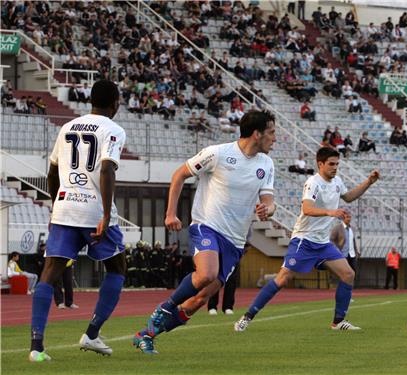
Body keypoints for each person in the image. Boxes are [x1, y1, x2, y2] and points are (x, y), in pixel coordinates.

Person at [133, 110, 277, 354]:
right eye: (272, 133)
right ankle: (165, 307)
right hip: (207, 225)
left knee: (198, 300)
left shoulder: (266, 163)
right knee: (206, 274)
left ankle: (146, 335)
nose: (275, 139)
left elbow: (269, 201)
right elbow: (180, 174)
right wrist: (170, 213)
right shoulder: (217, 153)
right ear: (257, 134)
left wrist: (268, 210)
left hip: (236, 241)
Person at [29, 80, 127, 362]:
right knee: (118, 267)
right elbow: (107, 168)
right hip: (93, 210)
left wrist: (54, 205)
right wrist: (107, 215)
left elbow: (52, 173)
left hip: (64, 209)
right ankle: (92, 333)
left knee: (50, 271)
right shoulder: (113, 129)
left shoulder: (67, 127)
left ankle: (36, 347)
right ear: (115, 103)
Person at [234, 147, 380, 332]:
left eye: (337, 164)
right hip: (304, 240)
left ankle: (338, 322)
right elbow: (307, 208)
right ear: (320, 164)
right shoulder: (313, 183)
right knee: (282, 279)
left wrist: (368, 182)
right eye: (331, 164)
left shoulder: (337, 182)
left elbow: (349, 197)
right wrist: (330, 212)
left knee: (348, 274)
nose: (335, 168)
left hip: (322, 243)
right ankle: (247, 317)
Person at [330, 214, 360, 281]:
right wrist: (337, 249)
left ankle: (350, 286)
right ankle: (343, 285)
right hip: (342, 254)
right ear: (343, 218)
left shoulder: (352, 228)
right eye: (347, 217)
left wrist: (356, 251)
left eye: (350, 217)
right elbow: (331, 239)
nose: (349, 219)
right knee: (344, 272)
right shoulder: (337, 228)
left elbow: (353, 240)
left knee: (353, 271)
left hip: (352, 254)